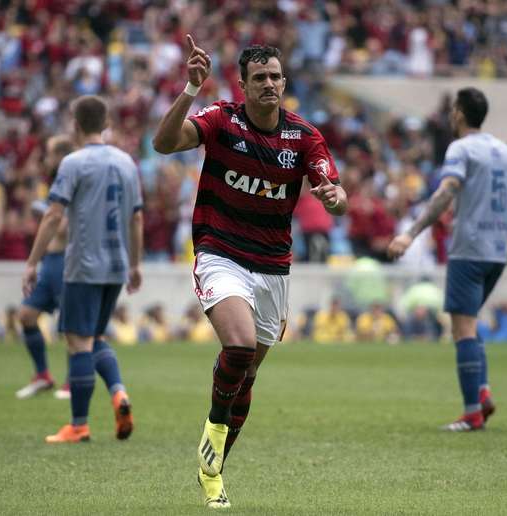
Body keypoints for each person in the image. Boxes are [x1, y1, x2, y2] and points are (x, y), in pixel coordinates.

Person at [152, 38, 347, 509]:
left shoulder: (303, 137)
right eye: (258, 78)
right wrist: (189, 90)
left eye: (275, 77)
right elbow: (163, 144)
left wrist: (333, 198)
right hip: (220, 253)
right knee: (237, 346)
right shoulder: (221, 119)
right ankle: (213, 435)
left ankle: (213, 467)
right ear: (243, 85)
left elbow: (335, 193)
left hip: (273, 267)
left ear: (285, 82)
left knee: (248, 373)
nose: (268, 84)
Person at [387, 87, 507, 432]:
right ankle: (482, 392)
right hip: (498, 252)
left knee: (462, 328)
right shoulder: (506, 152)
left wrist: (411, 232)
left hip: (469, 249)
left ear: (459, 113)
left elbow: (447, 190)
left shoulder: (461, 148)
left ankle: (472, 413)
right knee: (467, 324)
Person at [22, 95, 144, 443]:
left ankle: (78, 425)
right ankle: (118, 391)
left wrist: (33, 262)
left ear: (75, 125)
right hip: (116, 265)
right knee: (95, 337)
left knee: (78, 341)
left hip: (83, 265)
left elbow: (53, 214)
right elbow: (136, 217)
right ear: (106, 124)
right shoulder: (126, 162)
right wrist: (135, 264)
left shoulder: (73, 163)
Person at [15, 135, 74, 401]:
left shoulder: (73, 181)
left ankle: (73, 381)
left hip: (66, 259)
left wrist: (44, 212)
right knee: (26, 315)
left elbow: (65, 226)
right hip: (49, 262)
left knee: (71, 327)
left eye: (49, 153)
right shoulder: (54, 184)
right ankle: (42, 375)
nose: (46, 158)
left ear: (60, 156)